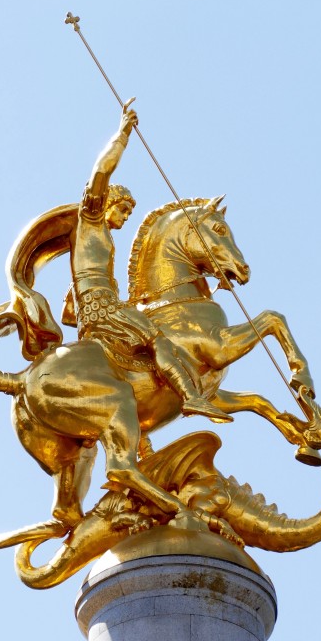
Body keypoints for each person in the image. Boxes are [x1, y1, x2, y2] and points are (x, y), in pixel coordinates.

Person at [66, 102, 231, 423]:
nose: (126, 216)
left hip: (102, 308)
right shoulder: (91, 219)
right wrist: (123, 133)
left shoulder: (101, 238)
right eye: (123, 208)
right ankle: (192, 397)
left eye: (128, 211)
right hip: (104, 311)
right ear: (107, 202)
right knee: (158, 339)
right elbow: (101, 172)